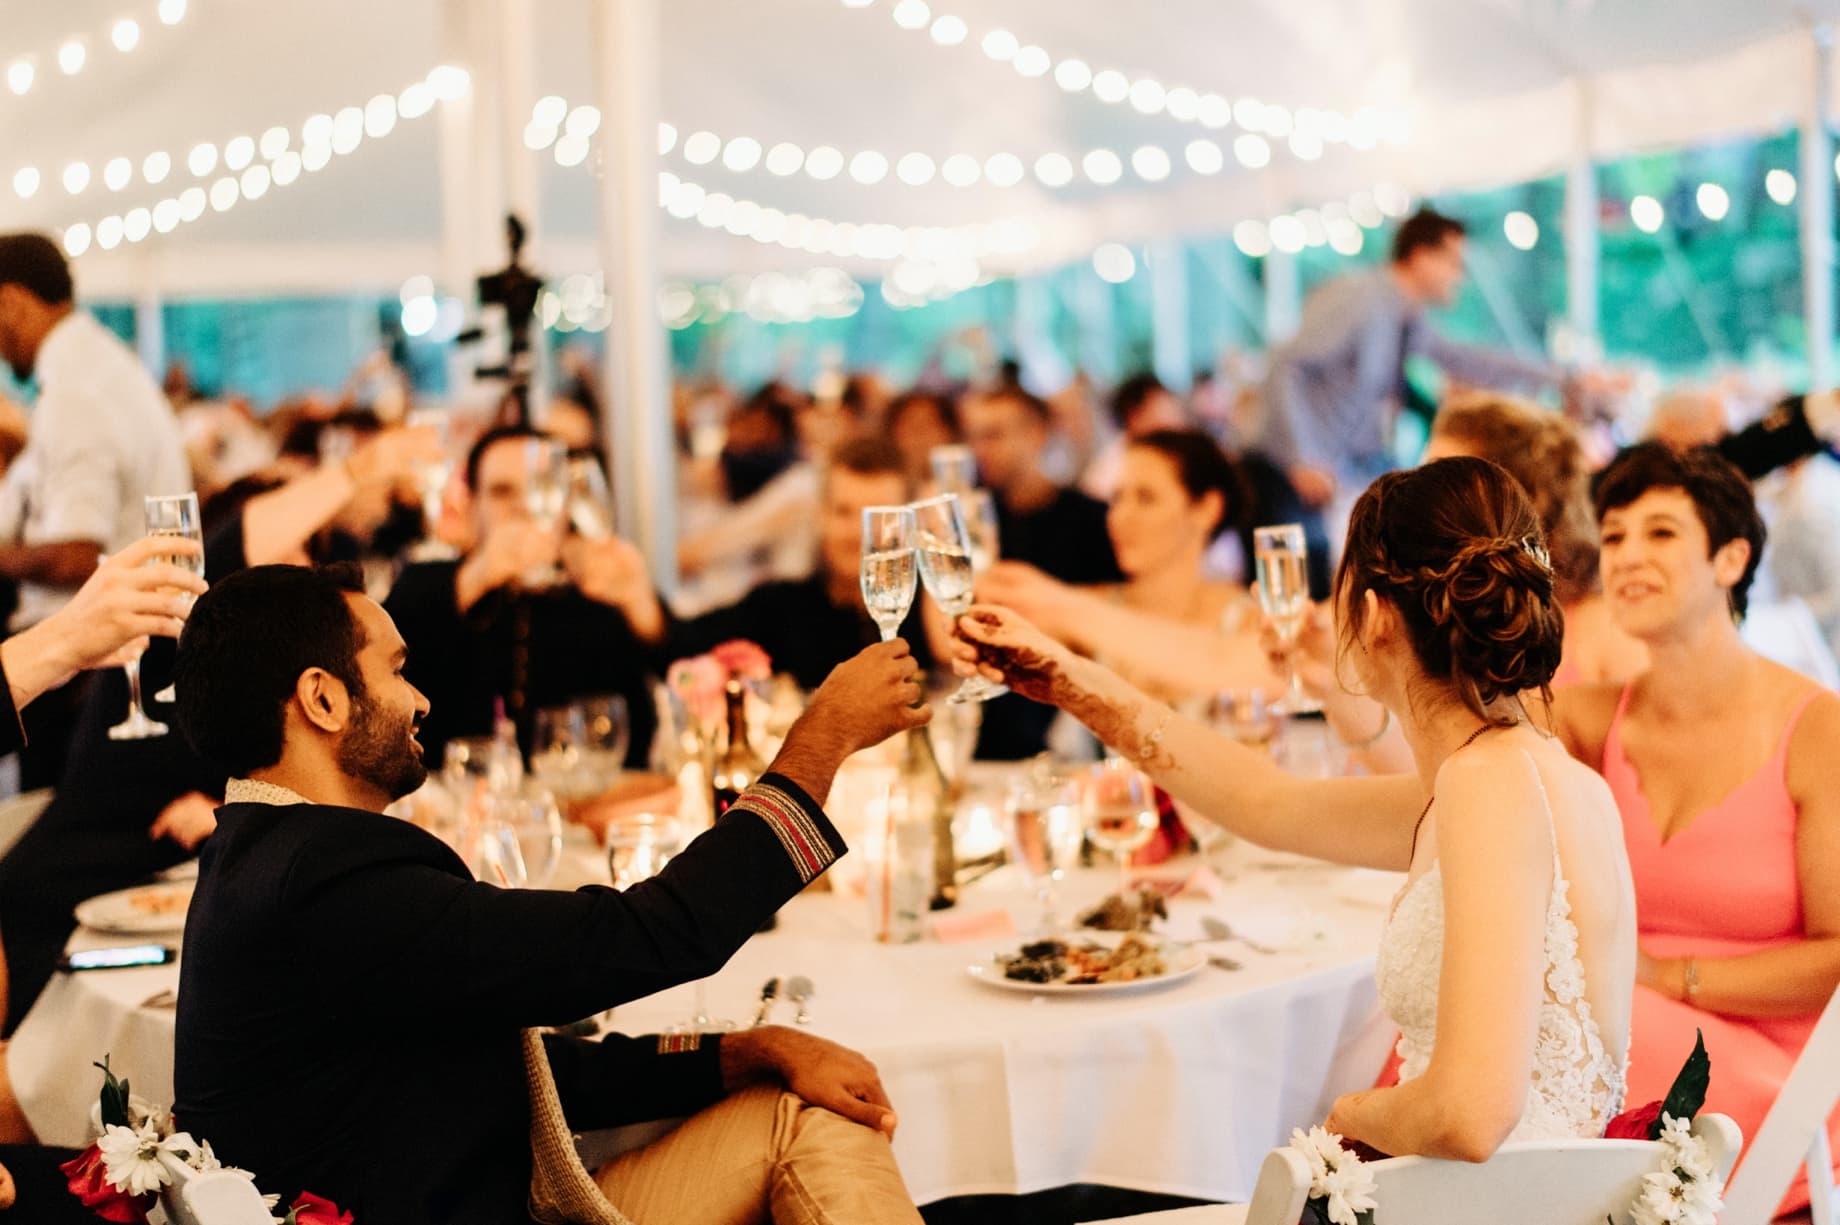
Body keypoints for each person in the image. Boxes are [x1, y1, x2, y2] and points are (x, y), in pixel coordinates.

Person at [170, 564, 929, 1223]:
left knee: (806, 1108)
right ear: (323, 701)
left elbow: (495, 1073)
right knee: (810, 1125)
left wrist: (747, 1051)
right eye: (397, 670)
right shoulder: (325, 879)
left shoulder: (262, 856)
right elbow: (652, 932)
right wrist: (821, 738)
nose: (422, 699)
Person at [954, 455, 1635, 1159]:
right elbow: (1267, 803)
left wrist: (1340, 1116)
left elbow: (1468, 1113)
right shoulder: (1514, 773)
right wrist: (1075, 684)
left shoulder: (1490, 788)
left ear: (1370, 616)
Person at [0, 426, 437, 1038]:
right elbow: (247, 533)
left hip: (154, 928)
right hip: (53, 931)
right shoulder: (171, 645)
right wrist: (357, 471)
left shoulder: (271, 690)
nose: (316, 581)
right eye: (298, 556)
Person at [1547, 444, 1840, 1215]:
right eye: (1613, 537)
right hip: (1627, 1034)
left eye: (1661, 533)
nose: (1629, 556)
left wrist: (1664, 977)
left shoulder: (1817, 729)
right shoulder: (1583, 714)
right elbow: (1449, 776)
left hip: (1782, 1059)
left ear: (1731, 557)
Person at [1259, 208, 1591, 587]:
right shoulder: (1360, 298)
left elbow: (1463, 358)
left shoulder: (1405, 317)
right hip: (1290, 477)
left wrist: (1562, 377)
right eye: (1453, 262)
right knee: (1306, 591)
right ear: (1419, 256)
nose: (1460, 276)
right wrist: (1303, 457)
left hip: (1335, 478)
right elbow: (1287, 365)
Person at [0, 233, 189, 786]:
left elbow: (79, 556)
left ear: (11, 301)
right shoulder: (102, 367)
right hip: (113, 658)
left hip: (92, 674)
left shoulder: (77, 394)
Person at [384, 425, 661, 768]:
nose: (524, 507)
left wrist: (642, 606)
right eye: (502, 492)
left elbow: (642, 731)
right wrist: (479, 575)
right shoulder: (433, 584)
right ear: (471, 506)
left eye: (541, 488)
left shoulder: (598, 598)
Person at [974, 429, 1277, 709]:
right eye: (1117, 497)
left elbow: (1257, 679)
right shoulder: (1092, 603)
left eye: (1146, 498)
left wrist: (1063, 606)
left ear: (1207, 508)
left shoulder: (1249, 619)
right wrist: (950, 542)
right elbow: (954, 639)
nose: (1120, 516)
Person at [616, 437, 930, 693]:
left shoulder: (932, 613)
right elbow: (686, 649)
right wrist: (637, 600)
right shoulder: (783, 606)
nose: (860, 535)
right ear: (821, 516)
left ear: (909, 526)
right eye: (844, 513)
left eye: (879, 517)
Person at [958, 383, 1122, 759]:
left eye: (994, 435)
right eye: (974, 436)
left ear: (1037, 434)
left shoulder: (1090, 518)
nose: (980, 449)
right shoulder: (973, 521)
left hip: (1072, 720)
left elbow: (1113, 616)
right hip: (988, 728)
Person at [1078, 372, 1188, 502]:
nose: (1176, 418)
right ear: (1134, 414)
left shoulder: (1168, 455)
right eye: (1165, 407)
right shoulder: (1110, 472)